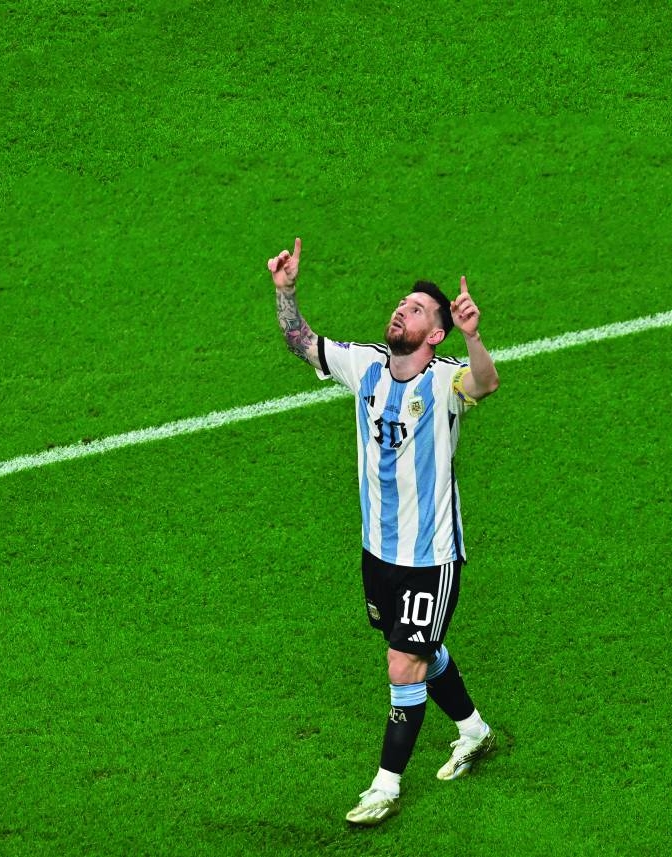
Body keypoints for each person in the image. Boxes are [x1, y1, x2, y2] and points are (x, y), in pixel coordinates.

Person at [268, 237, 500, 826]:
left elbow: (486, 385)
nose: (402, 310)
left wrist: (475, 336)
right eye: (403, 304)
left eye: (418, 309)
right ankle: (474, 731)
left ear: (436, 334)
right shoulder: (366, 363)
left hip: (429, 556)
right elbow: (303, 342)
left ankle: (385, 787)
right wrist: (286, 292)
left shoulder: (446, 381)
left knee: (403, 663)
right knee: (418, 650)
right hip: (378, 551)